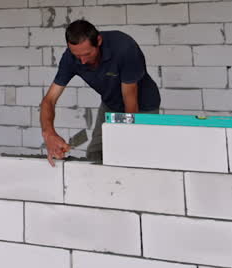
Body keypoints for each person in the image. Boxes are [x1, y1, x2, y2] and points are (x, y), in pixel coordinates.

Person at [39, 19, 161, 164]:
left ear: (98, 41)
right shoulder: (70, 58)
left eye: (87, 54)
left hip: (142, 106)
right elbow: (49, 100)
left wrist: (126, 139)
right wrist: (49, 134)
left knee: (136, 155)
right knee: (95, 154)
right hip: (111, 105)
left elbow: (130, 101)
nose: (82, 61)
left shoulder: (124, 48)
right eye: (77, 56)